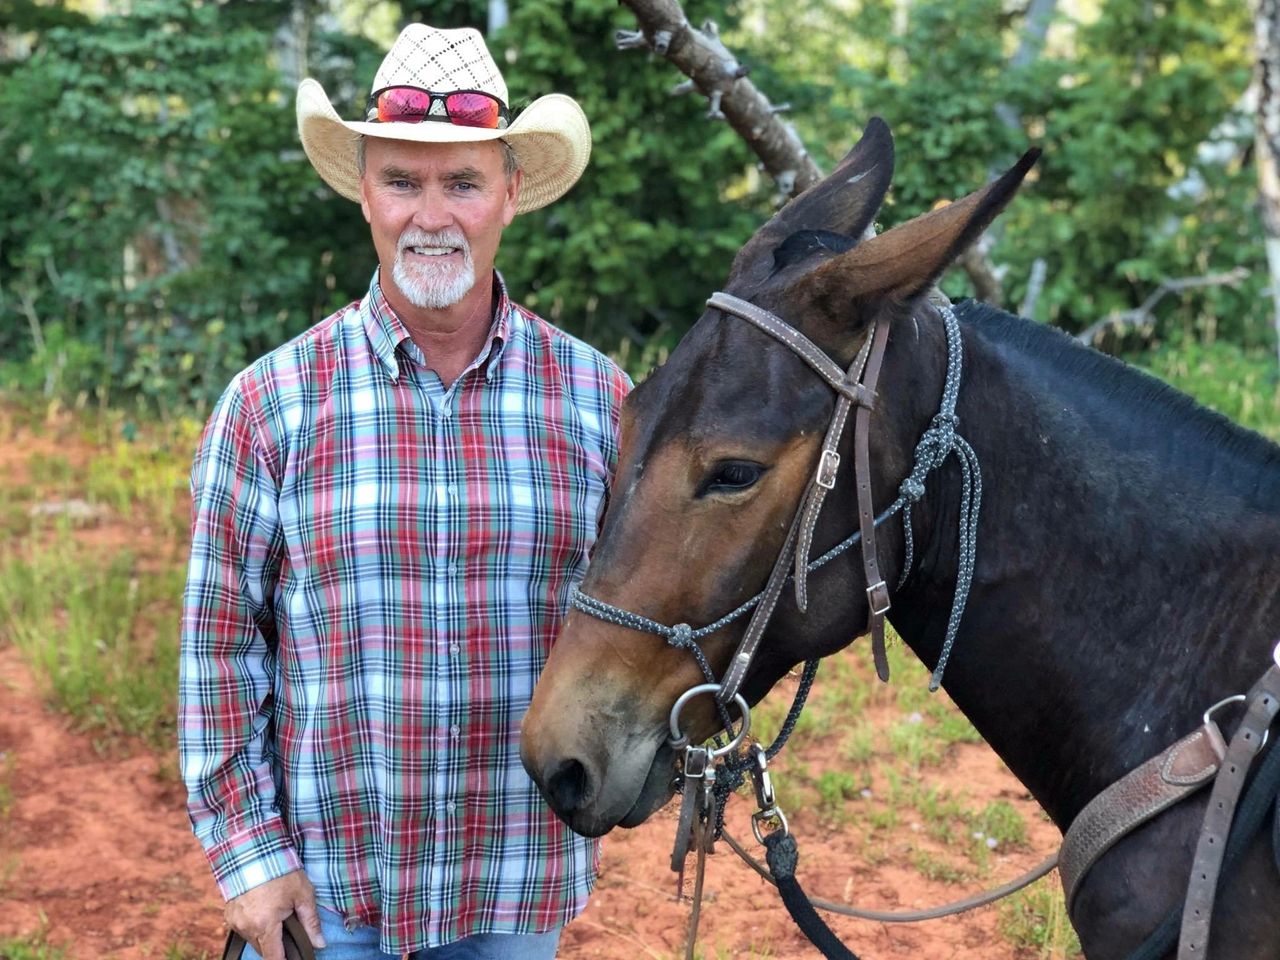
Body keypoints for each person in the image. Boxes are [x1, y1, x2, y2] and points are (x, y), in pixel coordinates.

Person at [179, 23, 630, 960]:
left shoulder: (601, 402)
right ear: (364, 195)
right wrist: (249, 856)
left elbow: (640, 624)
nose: (433, 214)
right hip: (330, 888)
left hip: (514, 878)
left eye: (462, 182)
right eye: (403, 181)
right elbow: (221, 650)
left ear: (509, 192)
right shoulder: (269, 405)